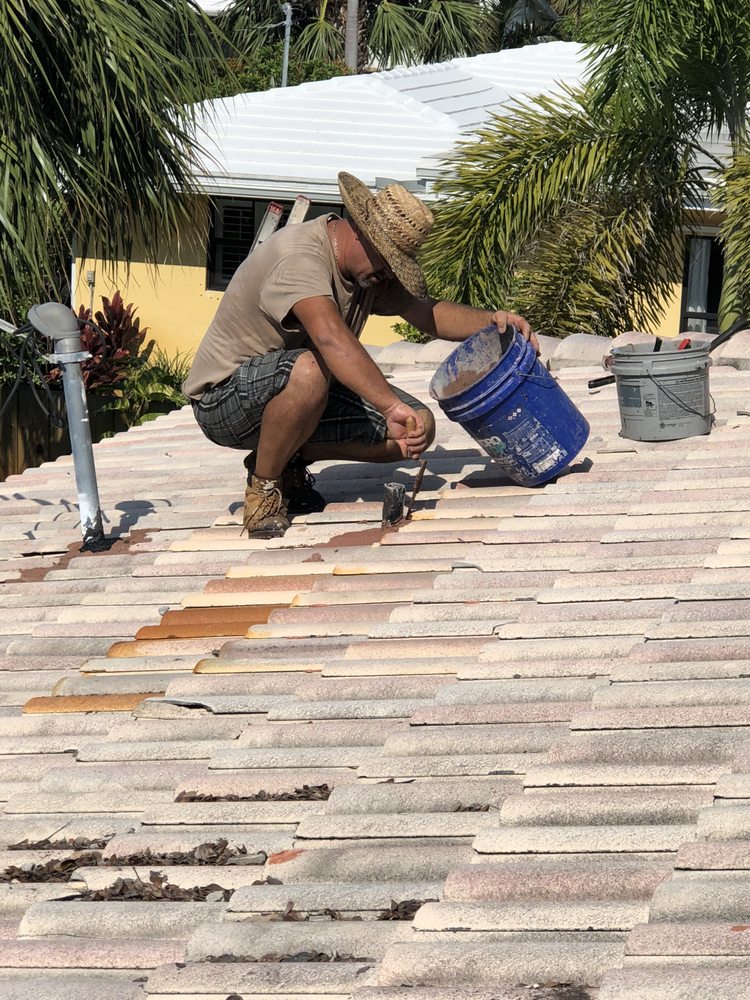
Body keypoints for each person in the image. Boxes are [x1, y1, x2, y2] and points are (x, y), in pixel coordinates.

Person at [184, 171, 537, 538]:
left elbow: (429, 313)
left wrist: (494, 320)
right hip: (222, 401)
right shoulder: (299, 257)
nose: (388, 274)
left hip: (301, 394)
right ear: (357, 231)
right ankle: (265, 489)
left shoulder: (369, 272)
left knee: (417, 427)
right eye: (386, 261)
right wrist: (388, 405)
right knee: (309, 371)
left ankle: (288, 459)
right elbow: (331, 338)